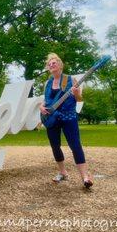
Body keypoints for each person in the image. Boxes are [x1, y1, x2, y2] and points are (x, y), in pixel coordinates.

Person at [39, 53, 93, 189]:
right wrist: (41, 106)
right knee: (55, 146)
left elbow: (80, 99)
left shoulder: (71, 79)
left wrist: (76, 93)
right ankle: (63, 172)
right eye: (49, 64)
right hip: (52, 118)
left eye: (54, 63)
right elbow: (46, 100)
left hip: (68, 117)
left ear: (60, 65)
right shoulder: (47, 83)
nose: (51, 65)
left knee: (75, 145)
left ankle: (85, 177)